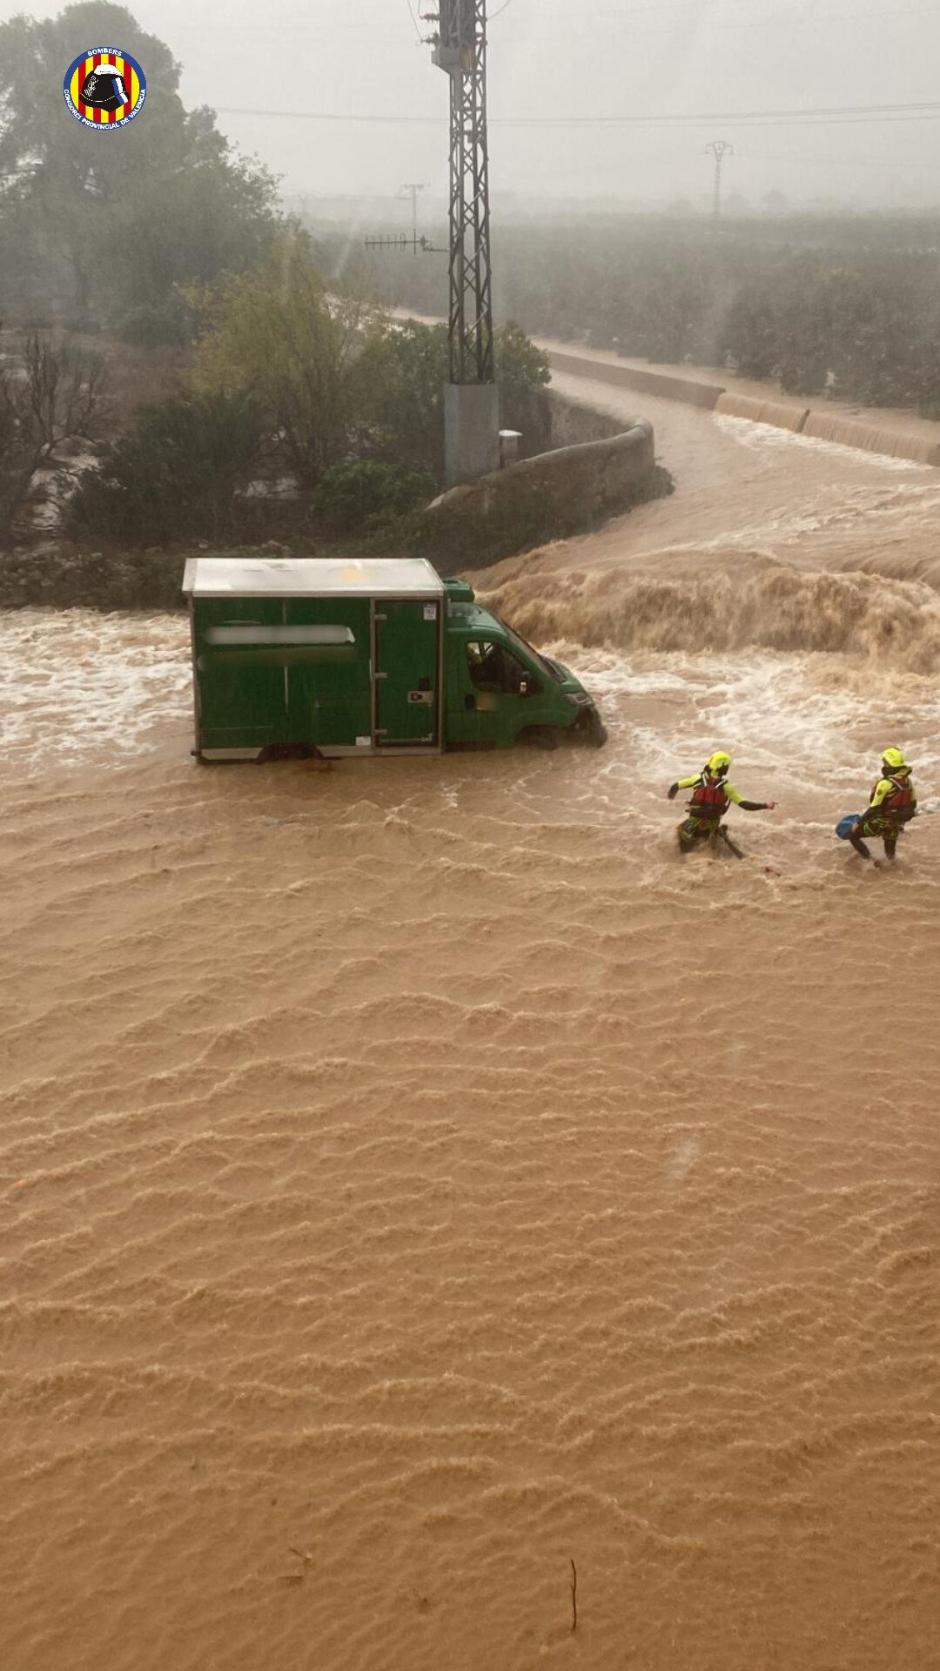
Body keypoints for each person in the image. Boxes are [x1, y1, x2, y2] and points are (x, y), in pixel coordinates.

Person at [667, 751, 776, 855]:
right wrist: (766, 805)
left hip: (692, 825)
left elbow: (674, 787)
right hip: (711, 827)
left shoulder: (697, 778)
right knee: (709, 851)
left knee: (685, 851)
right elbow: (745, 805)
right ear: (724, 769)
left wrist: (669, 801)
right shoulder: (726, 787)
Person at [845, 747, 917, 863]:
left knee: (852, 835)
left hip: (881, 822)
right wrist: (900, 822)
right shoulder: (908, 782)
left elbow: (874, 808)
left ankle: (870, 861)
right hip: (895, 824)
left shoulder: (885, 783)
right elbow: (912, 804)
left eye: (885, 763)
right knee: (890, 855)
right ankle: (893, 870)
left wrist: (858, 824)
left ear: (889, 765)